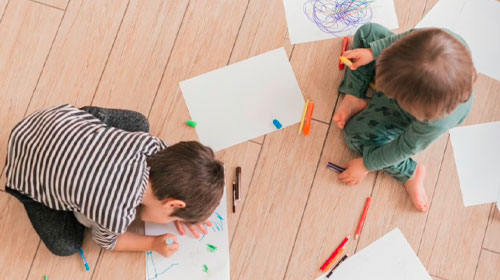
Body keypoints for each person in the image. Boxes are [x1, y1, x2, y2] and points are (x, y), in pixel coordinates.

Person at [5, 104, 225, 257]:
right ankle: (36, 196)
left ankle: (87, 127)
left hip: (49, 121)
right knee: (67, 245)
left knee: (139, 122)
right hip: (22, 170)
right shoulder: (116, 216)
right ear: (172, 203)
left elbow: (181, 162)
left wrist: (187, 200)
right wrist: (152, 243)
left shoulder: (150, 145)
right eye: (172, 215)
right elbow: (107, 242)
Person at [333, 23, 475, 212]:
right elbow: (398, 40)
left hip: (409, 113)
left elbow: (403, 147)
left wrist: (366, 164)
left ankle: (410, 173)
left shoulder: (434, 121)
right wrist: (373, 52)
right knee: (368, 34)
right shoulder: (436, 41)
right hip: (409, 78)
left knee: (354, 135)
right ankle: (354, 95)